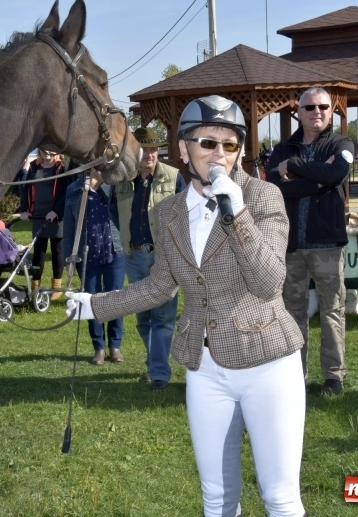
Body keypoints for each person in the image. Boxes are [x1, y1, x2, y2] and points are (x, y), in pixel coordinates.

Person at [67, 95, 306, 517]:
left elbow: (269, 282)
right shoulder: (170, 212)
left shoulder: (264, 197)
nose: (219, 154)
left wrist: (236, 212)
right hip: (206, 369)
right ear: (183, 149)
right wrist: (94, 306)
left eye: (229, 145)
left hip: (268, 364)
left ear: (242, 150)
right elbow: (160, 285)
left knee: (280, 498)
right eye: (207, 142)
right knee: (215, 497)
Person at [266, 86, 353, 395]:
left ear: (331, 111)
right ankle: (295, 375)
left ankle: (333, 375)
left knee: (332, 310)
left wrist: (293, 169)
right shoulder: (282, 148)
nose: (317, 111)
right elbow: (274, 188)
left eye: (324, 106)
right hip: (290, 245)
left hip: (327, 244)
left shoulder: (341, 143)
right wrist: (318, 179)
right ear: (298, 113)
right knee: (292, 313)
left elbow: (337, 174)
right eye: (310, 107)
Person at [114, 126, 186, 391]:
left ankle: (159, 373)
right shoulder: (123, 179)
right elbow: (115, 212)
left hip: (163, 258)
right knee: (143, 318)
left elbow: (185, 215)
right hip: (134, 256)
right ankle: (154, 360)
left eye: (155, 149)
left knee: (164, 318)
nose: (151, 155)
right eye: (146, 149)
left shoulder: (175, 178)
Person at [62, 169, 125, 365]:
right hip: (87, 255)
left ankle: (115, 346)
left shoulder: (114, 185)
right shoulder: (74, 189)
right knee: (90, 301)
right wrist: (68, 258)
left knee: (115, 299)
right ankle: (98, 347)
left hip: (114, 251)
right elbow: (69, 225)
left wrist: (100, 182)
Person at [20, 149, 71, 299]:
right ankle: (35, 286)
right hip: (38, 214)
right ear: (40, 150)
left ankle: (56, 287)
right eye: (44, 148)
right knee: (39, 251)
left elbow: (66, 192)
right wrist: (24, 210)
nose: (47, 151)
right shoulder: (34, 167)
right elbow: (26, 188)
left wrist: (56, 211)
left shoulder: (62, 167)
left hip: (56, 215)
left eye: (51, 148)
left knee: (57, 250)